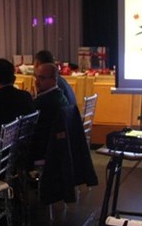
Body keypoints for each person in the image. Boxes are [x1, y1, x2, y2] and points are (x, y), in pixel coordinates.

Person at [30, 63, 98, 205]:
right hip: (59, 149)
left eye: (42, 78)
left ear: (54, 79)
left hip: (46, 152)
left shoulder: (44, 102)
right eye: (36, 77)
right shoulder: (60, 97)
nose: (37, 81)